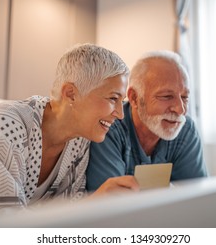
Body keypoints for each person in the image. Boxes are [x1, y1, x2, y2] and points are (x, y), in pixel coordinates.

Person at [0, 43, 139, 220]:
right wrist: (93, 203)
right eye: (113, 99)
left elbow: (65, 215)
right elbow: (1, 227)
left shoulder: (80, 140)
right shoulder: (3, 123)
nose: (120, 114)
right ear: (70, 93)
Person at [86, 50, 208, 191]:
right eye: (167, 96)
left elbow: (197, 197)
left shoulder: (185, 130)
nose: (180, 110)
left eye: (185, 97)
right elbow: (110, 205)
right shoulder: (108, 128)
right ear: (134, 98)